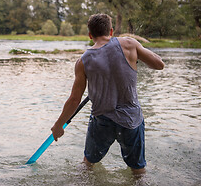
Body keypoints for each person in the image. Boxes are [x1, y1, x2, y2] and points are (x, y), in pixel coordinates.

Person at [51, 14, 164, 175]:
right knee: (138, 170)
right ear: (111, 31)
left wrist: (58, 125)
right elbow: (159, 65)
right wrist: (137, 52)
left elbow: (74, 99)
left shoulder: (83, 61)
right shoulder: (129, 44)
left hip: (102, 121)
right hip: (131, 119)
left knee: (87, 165)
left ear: (90, 35)